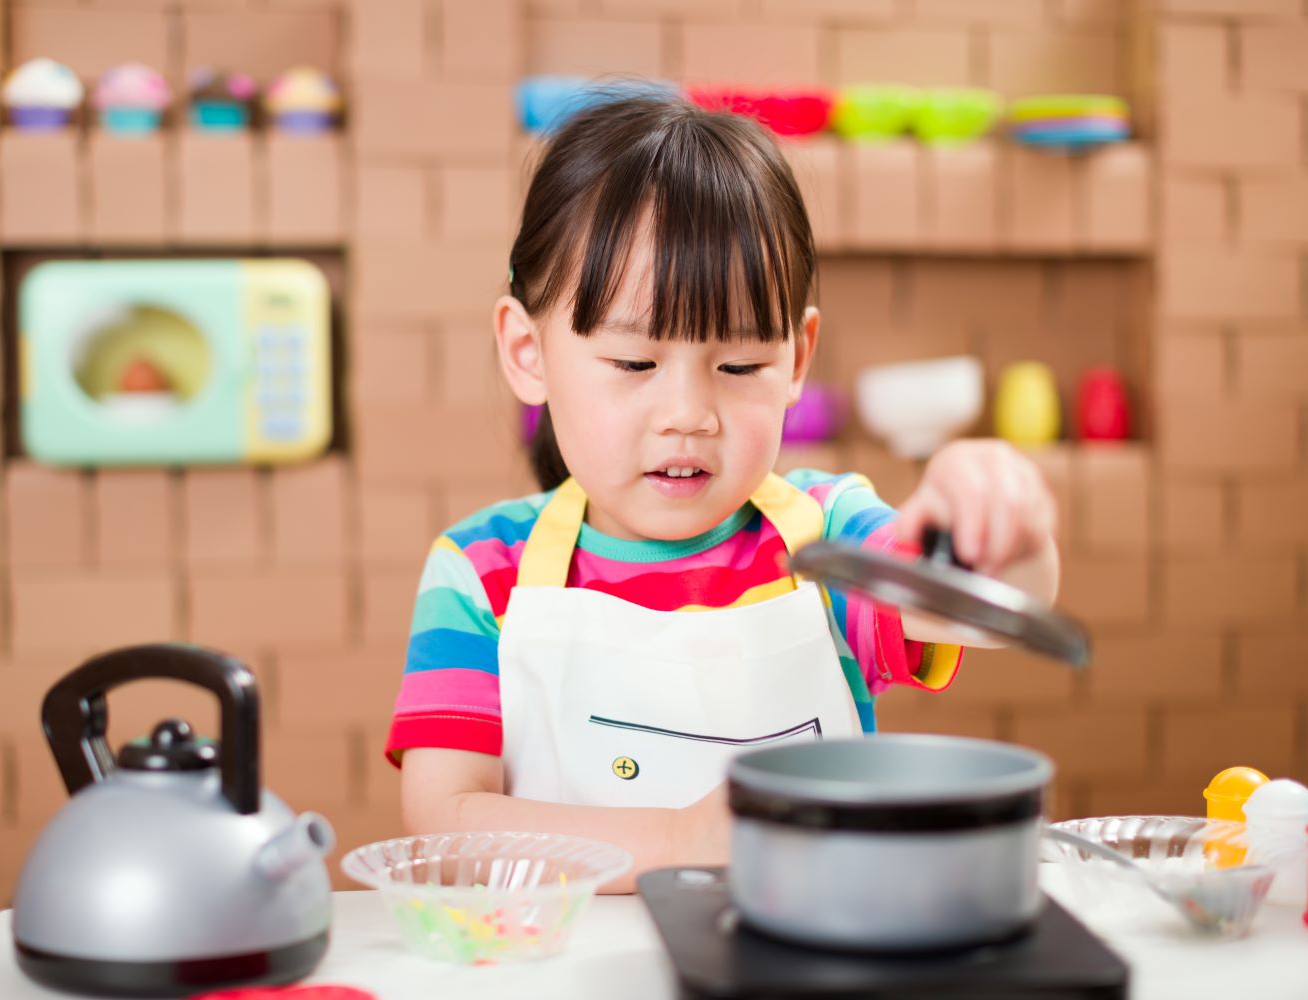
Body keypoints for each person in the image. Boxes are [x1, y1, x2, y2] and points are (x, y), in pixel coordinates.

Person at [384, 94, 1059, 892]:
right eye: (634, 365)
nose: (688, 416)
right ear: (529, 350)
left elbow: (976, 605)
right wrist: (677, 838)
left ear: (797, 357)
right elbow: (446, 820)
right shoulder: (480, 571)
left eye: (739, 367)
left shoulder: (825, 538)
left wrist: (1000, 525)